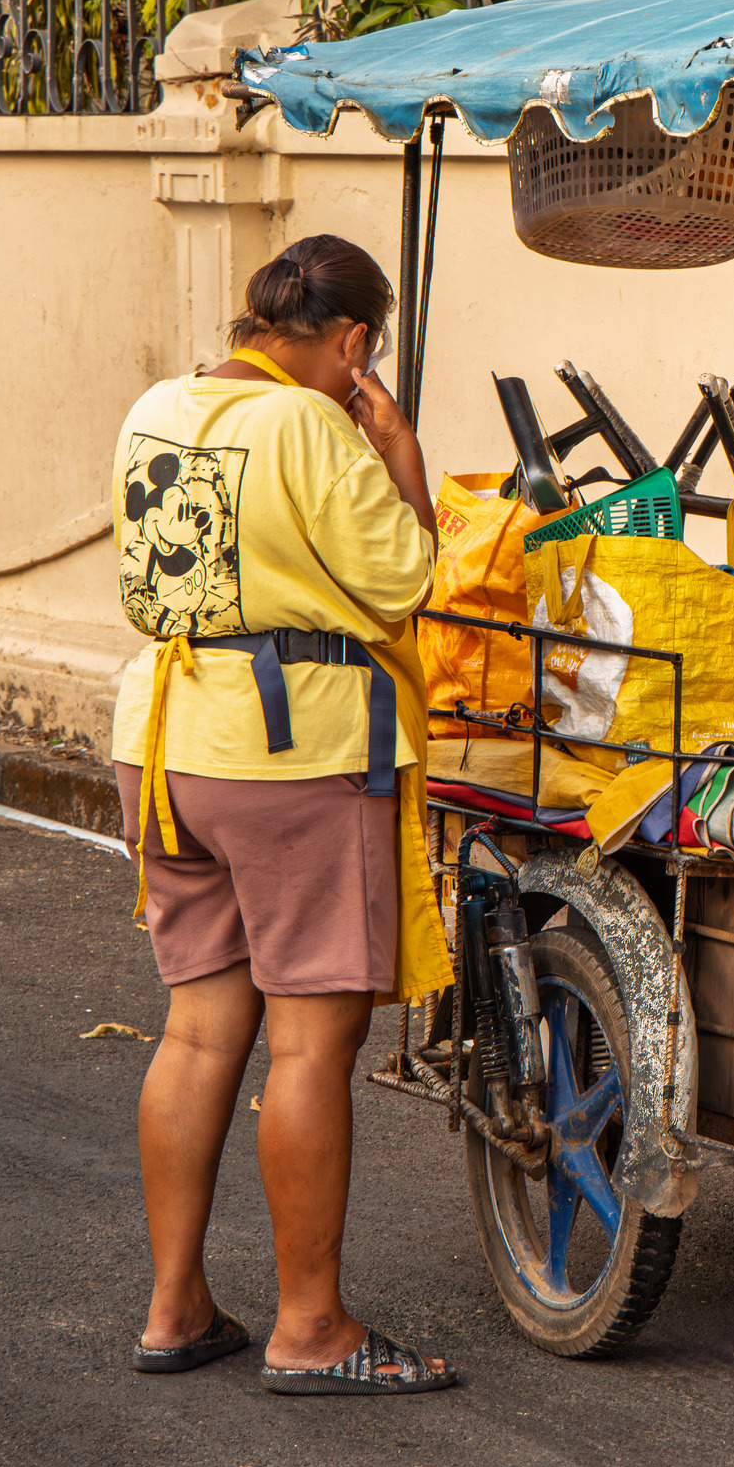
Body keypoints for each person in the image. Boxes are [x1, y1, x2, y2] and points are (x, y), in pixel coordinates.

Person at [111, 235, 462, 1394]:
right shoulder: (312, 428)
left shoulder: (159, 402)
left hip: (166, 740)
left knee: (201, 1029)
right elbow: (409, 579)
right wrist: (398, 446)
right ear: (354, 343)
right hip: (293, 751)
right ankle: (311, 1328)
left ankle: (175, 1308)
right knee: (312, 1040)